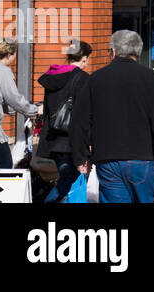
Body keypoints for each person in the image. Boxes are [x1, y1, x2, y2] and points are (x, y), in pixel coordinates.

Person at [70, 30, 154, 203]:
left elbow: (79, 121)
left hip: (108, 158)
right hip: (142, 158)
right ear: (138, 52)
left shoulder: (96, 79)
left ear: (113, 52)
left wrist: (80, 157)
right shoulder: (151, 77)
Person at [36, 39, 92, 201]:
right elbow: (85, 112)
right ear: (84, 58)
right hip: (73, 139)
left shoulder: (53, 76)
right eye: (87, 59)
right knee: (70, 182)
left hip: (53, 138)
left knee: (66, 180)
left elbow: (47, 107)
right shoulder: (82, 78)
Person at [0, 40, 42, 169]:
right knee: (5, 165)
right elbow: (13, 98)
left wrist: (12, 109)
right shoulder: (3, 71)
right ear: (9, 55)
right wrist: (34, 110)